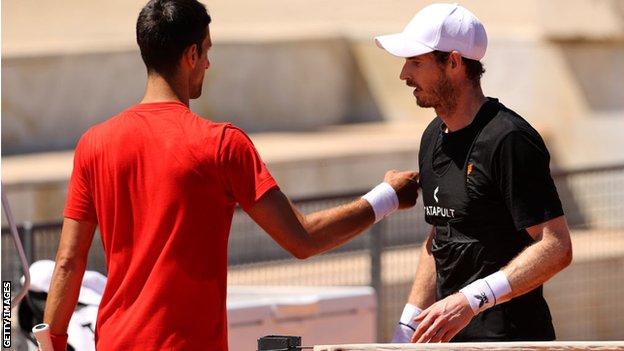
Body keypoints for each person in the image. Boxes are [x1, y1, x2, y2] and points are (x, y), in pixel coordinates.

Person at [42, 1, 420, 350]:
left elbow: (67, 262)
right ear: (192, 54)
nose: (208, 63)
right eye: (207, 50)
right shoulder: (221, 144)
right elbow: (302, 239)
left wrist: (53, 344)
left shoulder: (93, 144)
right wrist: (388, 196)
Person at [375, 3, 573, 343]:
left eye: (416, 61)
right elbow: (440, 236)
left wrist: (470, 300)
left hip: (511, 341)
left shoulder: (510, 139)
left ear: (453, 63)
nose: (404, 74)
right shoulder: (433, 136)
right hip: (449, 342)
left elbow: (556, 246)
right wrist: (407, 328)